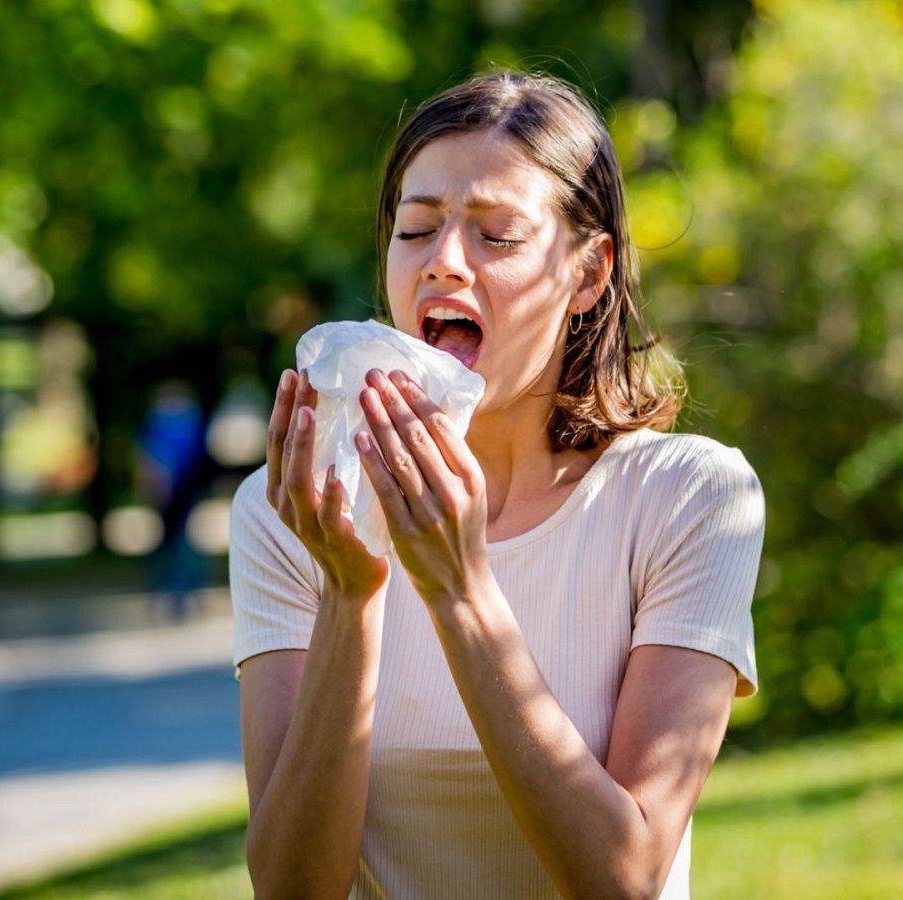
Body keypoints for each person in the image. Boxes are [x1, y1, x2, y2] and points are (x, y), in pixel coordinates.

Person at [230, 70, 765, 899]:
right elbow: (292, 891)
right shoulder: (292, 514)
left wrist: (460, 589)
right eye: (416, 229)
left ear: (588, 275)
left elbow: (624, 881)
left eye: (498, 236)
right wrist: (350, 592)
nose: (443, 263)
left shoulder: (690, 500)